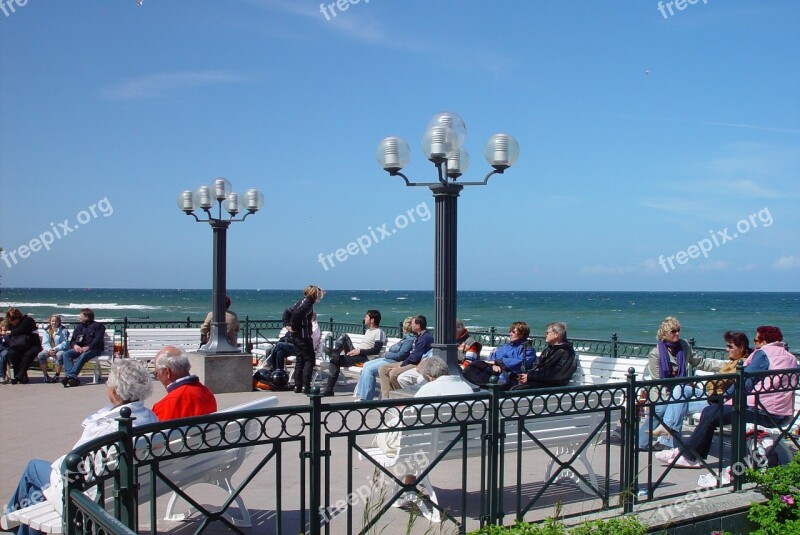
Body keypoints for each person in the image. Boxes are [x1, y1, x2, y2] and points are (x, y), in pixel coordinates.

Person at [5, 359, 157, 535]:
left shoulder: (107, 426)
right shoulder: (149, 417)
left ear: (115, 390)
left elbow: (72, 464)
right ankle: (15, 522)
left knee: (34, 469)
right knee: (35, 497)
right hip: (125, 487)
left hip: (87, 495)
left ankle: (8, 518)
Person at [657, 326, 799, 468]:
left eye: (756, 340)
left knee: (710, 413)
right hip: (781, 414)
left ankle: (689, 456)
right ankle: (685, 451)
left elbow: (743, 380)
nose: (755, 344)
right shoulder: (791, 358)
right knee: (709, 412)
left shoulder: (763, 354)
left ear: (764, 341)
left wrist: (725, 396)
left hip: (761, 411)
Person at [638, 316, 722, 451]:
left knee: (673, 406)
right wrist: (670, 399)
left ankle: (658, 441)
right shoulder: (656, 354)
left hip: (682, 390)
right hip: (661, 390)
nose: (677, 333)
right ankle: (660, 441)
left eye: (678, 330)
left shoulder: (684, 346)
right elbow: (657, 381)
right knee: (662, 408)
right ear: (664, 334)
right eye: (673, 331)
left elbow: (699, 362)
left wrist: (722, 366)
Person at [651, 331, 751, 442]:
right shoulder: (733, 362)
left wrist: (712, 381)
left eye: (730, 347)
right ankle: (667, 430)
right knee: (680, 389)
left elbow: (720, 381)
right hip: (711, 395)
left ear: (741, 348)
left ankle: (667, 433)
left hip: (719, 400)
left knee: (676, 403)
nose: (727, 349)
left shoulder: (742, 364)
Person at [396, 319, 481, 390]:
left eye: (449, 330)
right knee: (403, 378)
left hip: (452, 374)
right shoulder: (447, 340)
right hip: (434, 369)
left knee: (421, 380)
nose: (447, 333)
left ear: (458, 329)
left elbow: (468, 364)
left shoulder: (471, 344)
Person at [321, 310, 386, 397]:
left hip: (365, 358)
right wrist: (356, 351)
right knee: (344, 336)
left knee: (334, 360)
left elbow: (376, 350)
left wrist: (359, 351)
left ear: (372, 320)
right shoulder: (368, 331)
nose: (364, 318)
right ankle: (335, 353)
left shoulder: (379, 332)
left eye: (366, 317)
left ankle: (329, 390)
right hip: (359, 353)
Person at [354, 316, 415, 401]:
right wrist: (389, 354)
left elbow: (400, 356)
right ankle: (362, 395)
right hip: (388, 358)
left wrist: (388, 354)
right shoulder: (405, 339)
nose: (402, 329)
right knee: (366, 365)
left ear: (406, 328)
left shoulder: (409, 340)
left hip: (393, 361)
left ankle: (366, 399)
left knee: (369, 370)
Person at [462, 321, 536, 389]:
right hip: (493, 371)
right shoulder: (506, 346)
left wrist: (498, 362)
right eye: (510, 331)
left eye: (513, 332)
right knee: (473, 366)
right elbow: (493, 357)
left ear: (522, 334)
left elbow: (522, 363)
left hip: (508, 377)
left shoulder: (528, 350)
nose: (510, 334)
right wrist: (494, 364)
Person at [152, 346, 217, 420]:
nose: (158, 377)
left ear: (167, 371)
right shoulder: (207, 392)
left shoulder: (168, 403)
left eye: (156, 373)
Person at [378, 315, 433, 399]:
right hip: (410, 362)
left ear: (418, 326)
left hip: (416, 364)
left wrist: (401, 365)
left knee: (393, 373)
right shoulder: (419, 336)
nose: (411, 325)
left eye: (412, 323)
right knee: (383, 369)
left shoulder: (425, 338)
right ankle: (386, 397)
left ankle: (399, 397)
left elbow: (415, 357)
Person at [285, 285, 325, 394]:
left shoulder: (300, 302)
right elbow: (297, 314)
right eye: (318, 294)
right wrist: (293, 326)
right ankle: (305, 386)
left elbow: (287, 311)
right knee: (309, 361)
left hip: (297, 337)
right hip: (303, 337)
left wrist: (287, 324)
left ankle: (298, 386)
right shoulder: (307, 303)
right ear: (314, 294)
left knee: (300, 361)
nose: (319, 296)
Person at [516, 321, 577, 389]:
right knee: (510, 383)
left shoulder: (567, 352)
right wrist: (526, 376)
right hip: (541, 382)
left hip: (553, 386)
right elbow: (537, 367)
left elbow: (556, 374)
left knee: (516, 389)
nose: (545, 335)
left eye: (547, 333)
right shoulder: (549, 350)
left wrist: (530, 376)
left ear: (556, 335)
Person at [60, 308, 106, 388]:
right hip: (80, 348)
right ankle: (72, 378)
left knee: (83, 356)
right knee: (66, 354)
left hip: (94, 349)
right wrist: (75, 345)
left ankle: (69, 376)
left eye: (81, 316)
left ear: (87, 317)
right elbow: (73, 340)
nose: (79, 318)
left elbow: (98, 339)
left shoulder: (98, 326)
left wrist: (88, 347)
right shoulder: (79, 326)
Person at [4, 308, 42, 385]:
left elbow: (21, 330)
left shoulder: (28, 320)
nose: (13, 323)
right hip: (19, 345)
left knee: (28, 354)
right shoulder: (11, 324)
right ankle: (22, 376)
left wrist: (11, 332)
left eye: (13, 321)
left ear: (18, 318)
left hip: (33, 345)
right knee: (11, 353)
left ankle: (18, 376)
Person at [36, 315, 70, 384]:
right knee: (41, 355)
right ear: (50, 322)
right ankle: (46, 375)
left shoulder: (64, 330)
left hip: (60, 349)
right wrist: (49, 350)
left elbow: (64, 343)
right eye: (52, 321)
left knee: (60, 355)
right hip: (49, 349)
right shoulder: (47, 331)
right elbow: (45, 343)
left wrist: (55, 349)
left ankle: (57, 375)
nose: (54, 323)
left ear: (59, 322)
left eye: (56, 321)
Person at [0, 320, 11, 384]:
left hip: (5, 349)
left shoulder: (8, 334)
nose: (4, 328)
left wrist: (6, 335)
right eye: (3, 326)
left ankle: (2, 376)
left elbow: (9, 343)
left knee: (3, 356)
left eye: (5, 326)